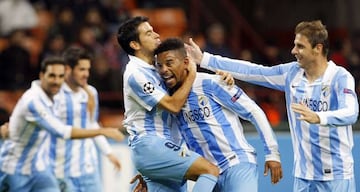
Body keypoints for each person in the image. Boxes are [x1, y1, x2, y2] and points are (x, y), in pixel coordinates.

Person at [187, 20, 359, 192]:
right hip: (303, 177)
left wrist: (319, 117)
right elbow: (254, 71)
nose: (293, 51)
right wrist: (205, 59)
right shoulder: (292, 73)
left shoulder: (339, 77)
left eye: (300, 46)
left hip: (336, 176)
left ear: (318, 48)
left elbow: (351, 113)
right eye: (294, 45)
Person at [152, 38, 282, 191]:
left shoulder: (212, 83)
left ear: (186, 62)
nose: (164, 70)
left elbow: (253, 111)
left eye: (169, 63)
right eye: (159, 66)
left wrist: (272, 153)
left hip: (236, 163)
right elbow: (172, 137)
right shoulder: (169, 99)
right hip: (207, 174)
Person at [117, 16, 219, 191]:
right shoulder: (135, 74)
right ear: (135, 45)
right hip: (151, 144)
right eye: (149, 33)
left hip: (161, 149)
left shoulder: (155, 68)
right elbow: (173, 105)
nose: (157, 35)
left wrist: (222, 76)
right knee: (210, 171)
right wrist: (192, 73)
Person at [0, 56, 124, 192]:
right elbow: (62, 131)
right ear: (42, 76)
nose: (57, 81)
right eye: (52, 76)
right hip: (14, 167)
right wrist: (102, 131)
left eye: (60, 77)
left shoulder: (53, 96)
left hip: (39, 169)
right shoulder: (34, 101)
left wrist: (9, 128)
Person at [50, 46, 122, 192]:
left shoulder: (90, 93)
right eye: (81, 70)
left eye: (88, 69)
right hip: (62, 170)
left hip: (88, 168)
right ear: (68, 69)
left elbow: (92, 124)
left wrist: (108, 152)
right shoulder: (55, 95)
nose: (86, 74)